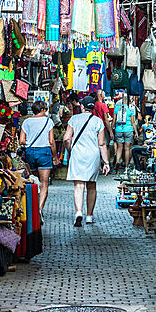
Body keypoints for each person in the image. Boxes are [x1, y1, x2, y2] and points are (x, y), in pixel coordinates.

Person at [63, 96, 109, 227]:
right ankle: (89, 216)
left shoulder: (74, 119)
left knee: (79, 185)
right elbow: (101, 143)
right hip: (92, 155)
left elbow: (67, 138)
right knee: (91, 185)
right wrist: (106, 162)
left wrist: (70, 150)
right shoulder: (98, 121)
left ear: (82, 106)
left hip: (77, 154)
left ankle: (78, 212)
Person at [19, 100, 58, 213]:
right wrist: (54, 157)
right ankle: (39, 209)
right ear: (42, 110)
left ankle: (33, 209)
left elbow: (22, 141)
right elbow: (51, 141)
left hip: (30, 152)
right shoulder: (48, 121)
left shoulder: (26, 122)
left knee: (33, 182)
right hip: (44, 152)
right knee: (44, 183)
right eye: (45, 109)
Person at [113, 92, 138, 171]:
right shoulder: (130, 109)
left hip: (119, 130)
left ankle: (117, 161)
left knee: (120, 147)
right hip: (128, 130)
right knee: (127, 148)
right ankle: (126, 167)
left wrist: (112, 128)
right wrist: (136, 132)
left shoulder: (117, 108)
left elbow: (114, 121)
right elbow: (133, 122)